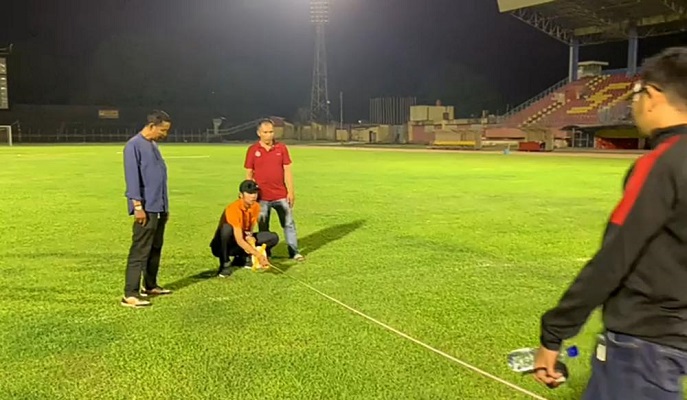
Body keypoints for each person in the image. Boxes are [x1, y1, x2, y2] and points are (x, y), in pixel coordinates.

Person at [532, 46, 687, 399]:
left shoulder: (661, 165)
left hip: (644, 342)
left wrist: (554, 332)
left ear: (651, 96)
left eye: (636, 94)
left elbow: (614, 258)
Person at [121, 110, 173, 308]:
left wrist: (165, 208)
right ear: (151, 126)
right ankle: (130, 293)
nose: (164, 134)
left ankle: (150, 285)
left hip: (158, 207)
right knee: (140, 251)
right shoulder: (134, 145)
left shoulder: (153, 145)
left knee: (155, 248)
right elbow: (133, 179)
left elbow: (159, 178)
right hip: (145, 208)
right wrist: (137, 206)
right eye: (162, 130)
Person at [244, 118, 305, 262]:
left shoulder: (281, 148)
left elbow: (287, 171)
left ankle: (294, 251)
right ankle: (266, 253)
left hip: (281, 195)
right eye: (265, 132)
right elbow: (249, 174)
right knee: (263, 226)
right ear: (259, 133)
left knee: (288, 224)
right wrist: (249, 194)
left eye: (271, 131)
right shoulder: (253, 150)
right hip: (262, 197)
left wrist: (291, 191)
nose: (269, 135)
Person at [209, 180, 279, 277]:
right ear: (241, 195)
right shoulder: (233, 209)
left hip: (241, 237)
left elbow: (248, 230)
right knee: (226, 229)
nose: (253, 196)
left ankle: (242, 258)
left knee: (273, 237)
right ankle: (225, 263)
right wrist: (257, 254)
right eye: (250, 193)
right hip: (223, 245)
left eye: (255, 192)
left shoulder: (256, 206)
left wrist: (250, 238)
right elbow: (239, 240)